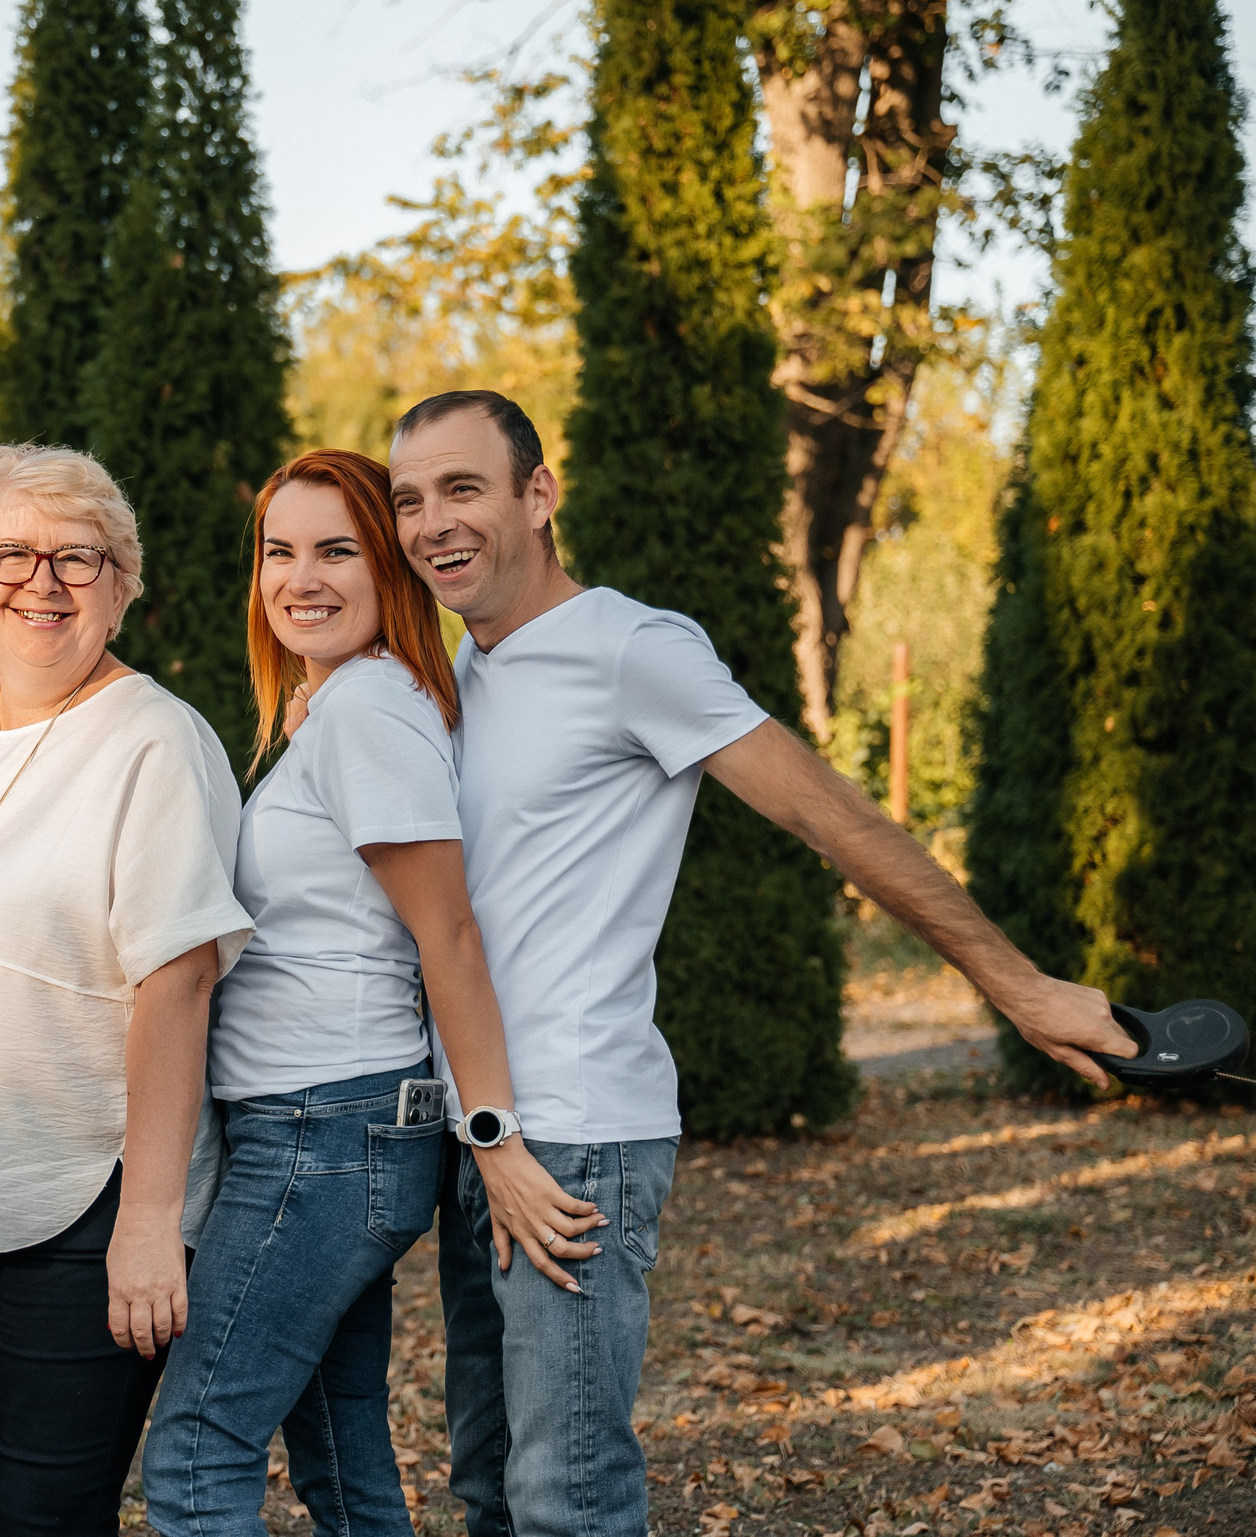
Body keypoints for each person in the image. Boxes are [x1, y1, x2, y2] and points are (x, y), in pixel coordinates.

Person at [383, 390, 1135, 1537]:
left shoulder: (636, 647)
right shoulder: (461, 670)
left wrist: (1016, 982)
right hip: (483, 1129)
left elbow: (833, 817)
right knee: (490, 1486)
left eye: (463, 487)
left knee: (564, 1499)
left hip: (576, 1131)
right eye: (409, 498)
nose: (432, 520)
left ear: (539, 495)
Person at [142, 448, 606, 1537]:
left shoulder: (368, 711)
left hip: (325, 1130)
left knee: (196, 1450)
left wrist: (492, 1134)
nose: (300, 577)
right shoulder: (352, 704)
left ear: (388, 565)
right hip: (323, 1126)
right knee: (342, 1457)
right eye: (279, 551)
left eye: (336, 550)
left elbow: (446, 931)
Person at [0, 443, 254, 1537]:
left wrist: (148, 1221)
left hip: (86, 1197)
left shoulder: (154, 740)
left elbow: (177, 985)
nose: (42, 580)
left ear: (124, 586)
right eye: (10, 553)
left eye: (79, 557)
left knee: (48, 1509)